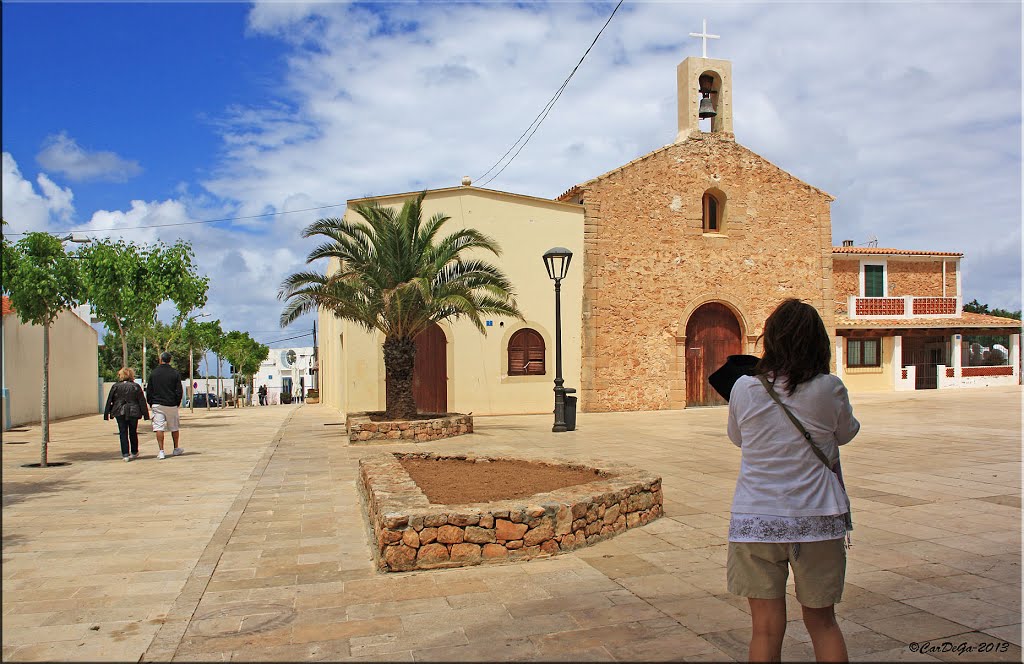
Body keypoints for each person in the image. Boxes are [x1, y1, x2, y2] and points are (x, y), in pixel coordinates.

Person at [725, 299, 860, 663]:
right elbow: (846, 433)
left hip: (756, 519)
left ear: (772, 340)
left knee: (764, 629)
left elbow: (738, 438)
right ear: (817, 341)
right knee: (823, 623)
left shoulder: (742, 388)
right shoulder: (829, 388)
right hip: (817, 518)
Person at [104, 367, 150, 461]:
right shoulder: (135, 386)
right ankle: (134, 451)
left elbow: (110, 400)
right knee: (133, 431)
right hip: (133, 411)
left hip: (119, 411)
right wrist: (145, 414)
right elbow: (141, 401)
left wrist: (107, 414)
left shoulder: (116, 386)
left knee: (123, 432)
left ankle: (125, 454)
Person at [146, 352, 185, 460]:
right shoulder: (175, 373)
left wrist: (151, 402)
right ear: (170, 360)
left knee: (159, 428)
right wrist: (177, 402)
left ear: (160, 359)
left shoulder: (154, 373)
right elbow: (179, 390)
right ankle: (176, 448)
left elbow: (149, 390)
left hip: (157, 404)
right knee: (174, 427)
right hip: (171, 404)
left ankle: (161, 451)